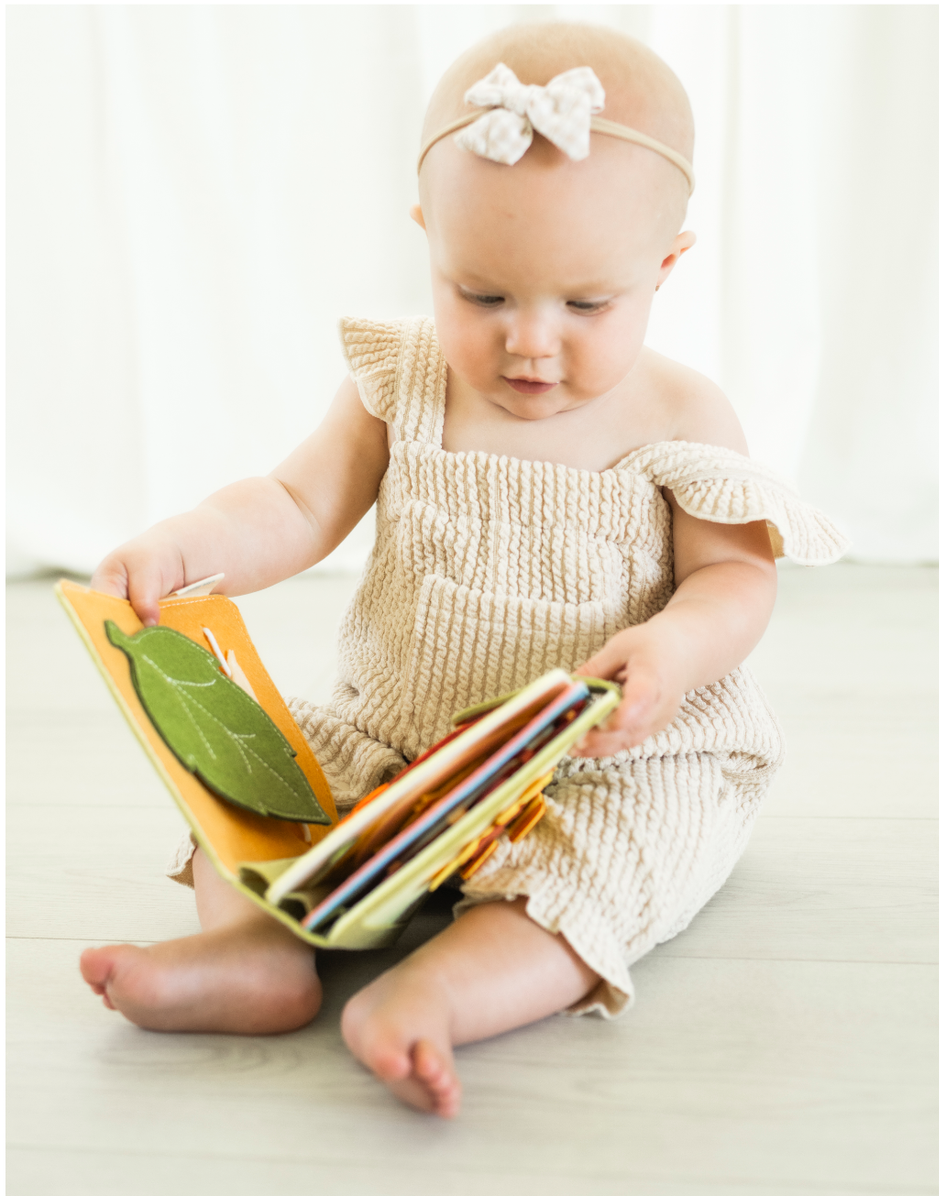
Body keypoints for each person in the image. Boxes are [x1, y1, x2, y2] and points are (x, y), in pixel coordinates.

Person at [79, 22, 846, 1118]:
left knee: (606, 865)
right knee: (249, 792)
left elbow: (732, 580)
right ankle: (256, 950)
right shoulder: (401, 379)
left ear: (664, 266)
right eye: (481, 294)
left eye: (585, 304)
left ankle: (435, 993)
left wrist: (675, 649)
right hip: (397, 730)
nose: (529, 342)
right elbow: (294, 504)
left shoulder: (682, 415)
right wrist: (188, 548)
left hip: (605, 755)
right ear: (427, 238)